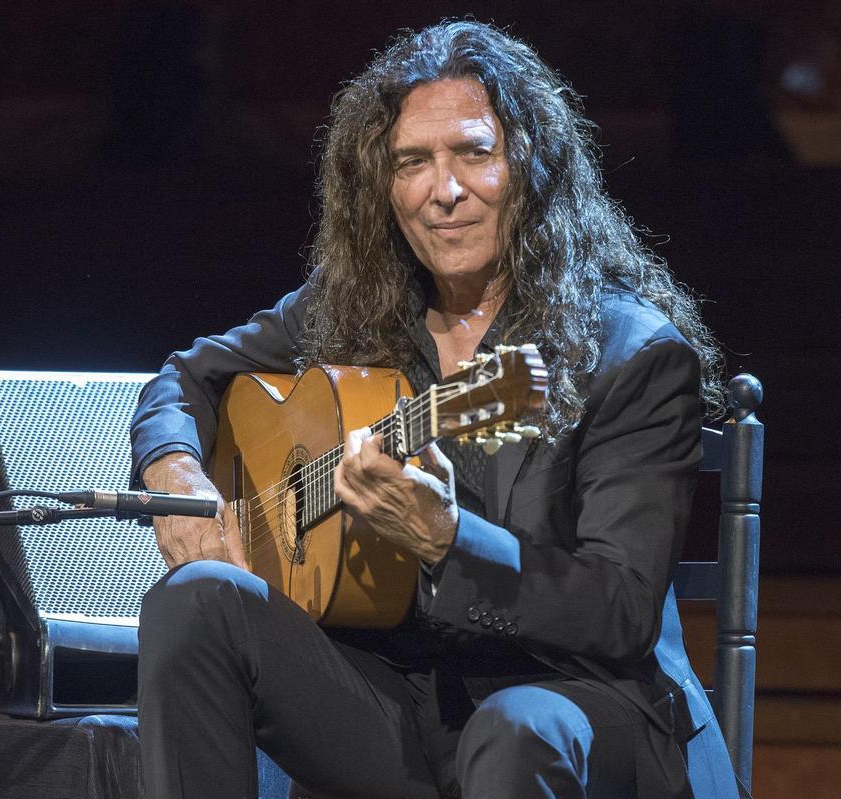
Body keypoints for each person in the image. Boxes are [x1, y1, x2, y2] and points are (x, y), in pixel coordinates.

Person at [129, 19, 739, 799]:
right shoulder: (356, 309)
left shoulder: (632, 355)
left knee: (512, 730)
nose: (443, 191)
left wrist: (449, 541)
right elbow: (186, 377)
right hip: (401, 700)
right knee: (193, 604)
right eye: (412, 162)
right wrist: (176, 474)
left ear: (531, 167)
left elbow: (616, 613)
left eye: (474, 154)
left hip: (578, 711)